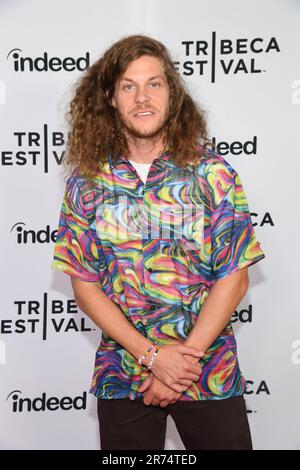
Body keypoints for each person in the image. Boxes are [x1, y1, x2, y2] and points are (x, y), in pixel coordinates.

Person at [51, 34, 265, 450]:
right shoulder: (87, 181)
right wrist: (152, 356)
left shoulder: (212, 172)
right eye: (128, 86)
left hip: (207, 374)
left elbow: (234, 277)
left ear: (173, 94)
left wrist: (181, 364)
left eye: (154, 84)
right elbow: (85, 285)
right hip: (124, 374)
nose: (142, 97)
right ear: (111, 99)